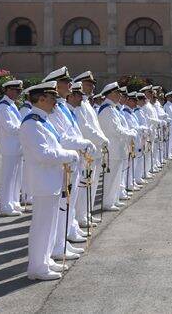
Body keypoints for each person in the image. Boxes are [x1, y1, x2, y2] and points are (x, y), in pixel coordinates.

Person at [19, 81, 79, 280]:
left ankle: (44, 260)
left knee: (50, 225)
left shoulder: (44, 121)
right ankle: (37, 268)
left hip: (51, 181)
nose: (56, 101)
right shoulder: (31, 123)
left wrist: (65, 154)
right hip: (43, 182)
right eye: (52, 97)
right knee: (42, 226)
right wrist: (68, 155)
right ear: (41, 98)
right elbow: (43, 154)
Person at [42, 66, 94, 260]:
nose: (71, 85)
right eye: (66, 82)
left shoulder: (62, 107)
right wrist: (83, 143)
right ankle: (58, 246)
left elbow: (73, 132)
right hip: (66, 160)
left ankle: (63, 241)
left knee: (68, 205)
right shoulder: (55, 110)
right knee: (63, 206)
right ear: (55, 85)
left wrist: (81, 144)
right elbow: (63, 138)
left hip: (74, 159)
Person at [72, 71, 109, 227]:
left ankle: (86, 213)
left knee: (92, 184)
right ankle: (81, 216)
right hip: (87, 150)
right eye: (89, 84)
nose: (92, 86)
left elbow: (96, 126)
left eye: (93, 84)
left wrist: (101, 141)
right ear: (80, 84)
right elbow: (85, 128)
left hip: (95, 149)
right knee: (85, 185)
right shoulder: (79, 105)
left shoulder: (87, 103)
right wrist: (101, 140)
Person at [97, 82, 136, 211]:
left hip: (117, 148)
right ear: (112, 94)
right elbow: (114, 129)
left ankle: (113, 200)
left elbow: (119, 128)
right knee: (111, 178)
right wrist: (129, 134)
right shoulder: (107, 109)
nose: (120, 96)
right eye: (118, 93)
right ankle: (107, 202)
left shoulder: (112, 108)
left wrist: (128, 133)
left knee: (116, 176)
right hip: (112, 149)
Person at [0, 80, 24, 216]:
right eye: (16, 91)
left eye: (19, 91)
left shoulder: (11, 105)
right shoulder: (3, 107)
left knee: (16, 178)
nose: (18, 94)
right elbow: (9, 127)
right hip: (9, 147)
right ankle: (6, 206)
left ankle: (14, 202)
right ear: (8, 90)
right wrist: (25, 128)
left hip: (16, 146)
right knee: (8, 178)